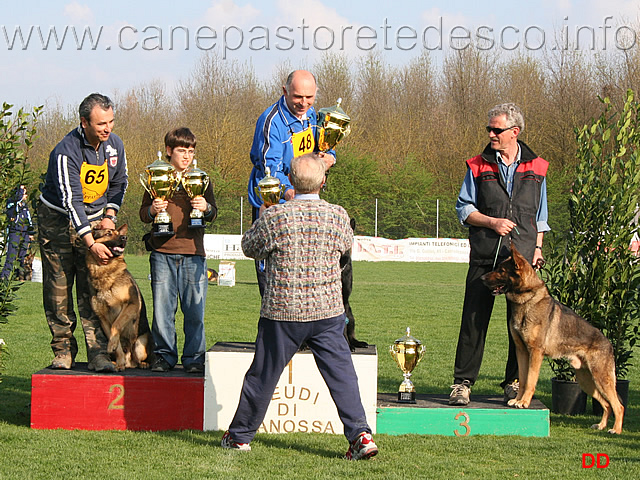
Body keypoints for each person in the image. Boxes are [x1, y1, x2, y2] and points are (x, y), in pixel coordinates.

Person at [222, 153, 377, 460]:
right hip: (328, 312)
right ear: (323, 181)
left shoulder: (275, 215)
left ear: (289, 181)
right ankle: (360, 434)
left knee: (263, 376)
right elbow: (345, 247)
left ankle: (239, 437)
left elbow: (249, 248)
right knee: (342, 375)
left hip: (282, 311)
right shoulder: (338, 215)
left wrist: (266, 212)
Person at [449, 103, 550, 406]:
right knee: (474, 321)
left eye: (497, 130)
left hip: (521, 262)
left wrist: (538, 248)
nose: (491, 134)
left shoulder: (538, 167)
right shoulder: (477, 165)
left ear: (514, 133)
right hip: (485, 256)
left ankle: (513, 382)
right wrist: (492, 222)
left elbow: (540, 215)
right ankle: (462, 384)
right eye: (489, 129)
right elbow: (463, 209)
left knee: (520, 324)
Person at [39, 93, 128, 372]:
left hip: (96, 220)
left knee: (93, 288)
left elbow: (119, 183)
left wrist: (110, 216)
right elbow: (72, 202)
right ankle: (63, 349)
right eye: (101, 123)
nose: (108, 128)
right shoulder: (66, 151)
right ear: (84, 122)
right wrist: (90, 242)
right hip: (57, 221)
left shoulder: (114, 145)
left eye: (111, 121)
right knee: (59, 286)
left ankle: (98, 353)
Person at [247, 70, 335, 296]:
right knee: (274, 285)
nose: (303, 103)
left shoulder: (315, 116)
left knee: (304, 279)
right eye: (298, 97)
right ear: (285, 91)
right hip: (274, 205)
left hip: (306, 204)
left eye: (309, 97)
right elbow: (269, 169)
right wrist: (291, 193)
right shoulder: (271, 121)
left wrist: (330, 157)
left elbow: (324, 146)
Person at [140, 127, 217, 374]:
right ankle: (164, 356)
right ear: (169, 151)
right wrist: (153, 209)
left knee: (195, 311)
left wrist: (205, 207)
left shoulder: (201, 179)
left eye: (191, 151)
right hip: (162, 253)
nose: (186, 155)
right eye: (181, 150)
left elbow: (214, 213)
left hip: (194, 254)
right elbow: (143, 214)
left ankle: (195, 358)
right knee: (163, 311)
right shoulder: (157, 175)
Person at [2, 185, 34, 280]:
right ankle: (4, 276)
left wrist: (31, 233)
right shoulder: (11, 204)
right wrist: (20, 190)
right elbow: (15, 203)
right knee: (11, 254)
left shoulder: (24, 206)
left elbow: (29, 220)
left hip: (25, 232)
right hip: (14, 231)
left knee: (22, 255)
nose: (26, 196)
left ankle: (18, 275)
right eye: (24, 193)